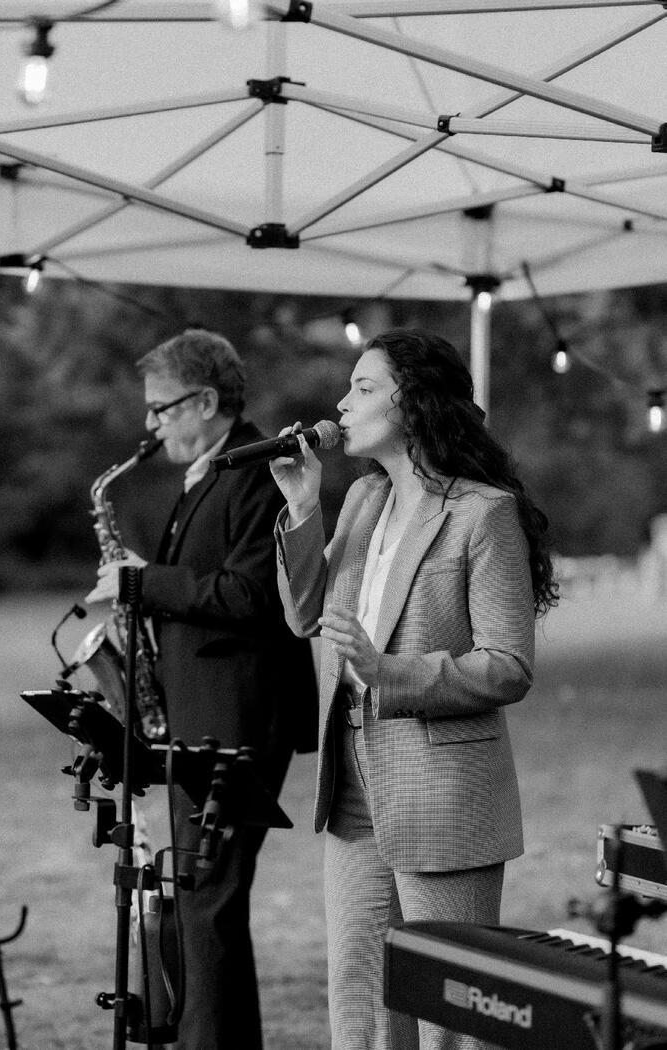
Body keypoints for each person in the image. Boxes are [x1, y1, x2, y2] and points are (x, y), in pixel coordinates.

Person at [270, 328, 558, 1050]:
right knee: (362, 1003)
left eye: (363, 388)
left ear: (415, 405)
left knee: (449, 1012)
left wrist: (387, 671)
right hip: (354, 785)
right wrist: (304, 507)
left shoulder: (482, 514)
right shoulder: (365, 499)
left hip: (443, 792)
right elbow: (304, 612)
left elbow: (507, 666)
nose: (342, 402)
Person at [86, 327, 318, 1050]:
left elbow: (251, 594)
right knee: (201, 900)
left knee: (205, 900)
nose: (150, 426)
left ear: (206, 401)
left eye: (161, 409)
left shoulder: (255, 469)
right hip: (206, 710)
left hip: (237, 716)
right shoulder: (207, 474)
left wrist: (141, 581)